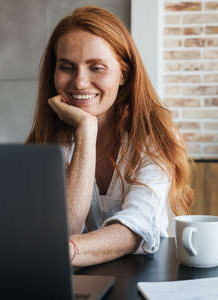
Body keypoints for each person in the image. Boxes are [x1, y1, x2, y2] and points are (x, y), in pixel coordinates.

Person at [26, 6, 194, 266]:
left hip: (147, 281)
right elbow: (65, 227)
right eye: (67, 67)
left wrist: (58, 251)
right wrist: (86, 130)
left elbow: (134, 229)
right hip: (74, 284)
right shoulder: (48, 139)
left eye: (97, 67)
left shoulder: (156, 136)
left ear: (123, 73)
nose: (80, 82)